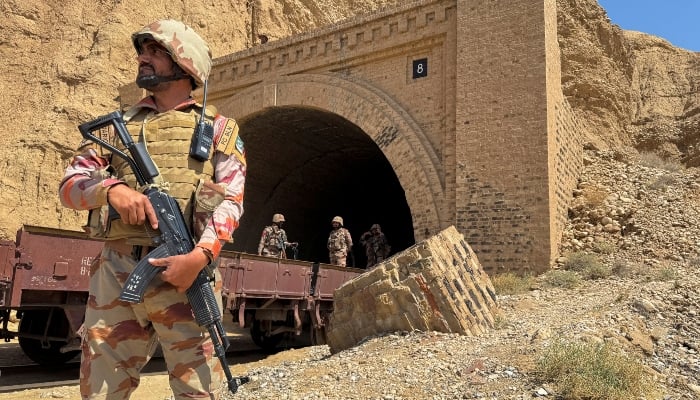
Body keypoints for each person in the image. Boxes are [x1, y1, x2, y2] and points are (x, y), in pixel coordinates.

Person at [59, 19, 246, 399]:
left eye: (155, 51)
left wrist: (199, 257)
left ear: (185, 63)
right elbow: (70, 187)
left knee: (200, 391)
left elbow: (231, 201)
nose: (143, 59)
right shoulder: (115, 130)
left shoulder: (219, 130)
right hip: (117, 273)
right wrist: (111, 190)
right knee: (100, 392)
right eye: (142, 51)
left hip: (188, 275)